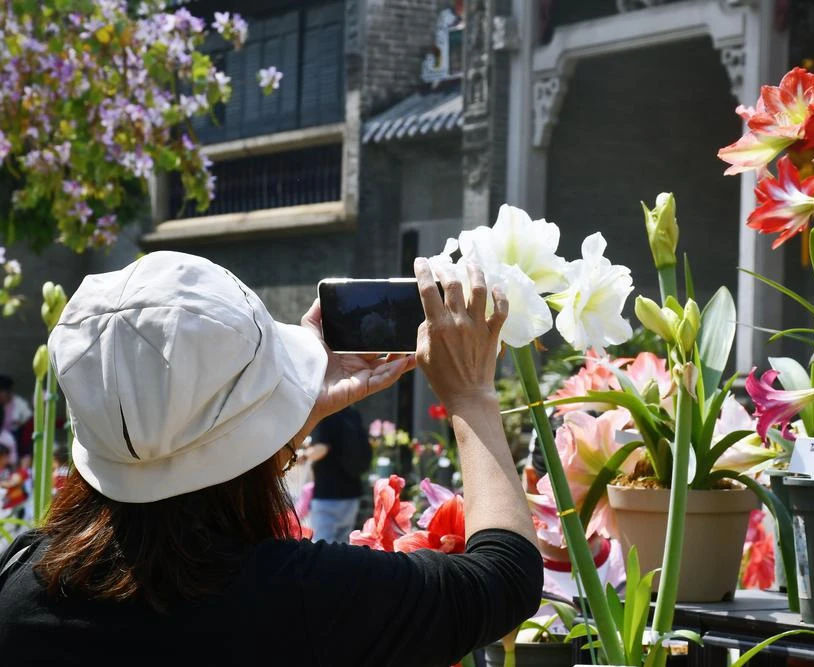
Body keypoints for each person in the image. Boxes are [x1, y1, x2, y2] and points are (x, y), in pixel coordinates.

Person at [0, 251, 541, 666]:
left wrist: (285, 413)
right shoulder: (298, 597)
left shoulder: (21, 590)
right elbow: (504, 579)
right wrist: (471, 396)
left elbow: (185, 465)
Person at [301, 405, 371, 544]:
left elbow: (321, 448)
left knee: (322, 548)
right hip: (352, 495)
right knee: (342, 547)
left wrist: (303, 456)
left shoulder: (325, 412)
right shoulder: (352, 413)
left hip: (328, 494)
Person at [0, 375, 31, 464]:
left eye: (2, 392)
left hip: (16, 436)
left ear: (9, 392)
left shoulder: (20, 404)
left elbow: (28, 420)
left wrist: (19, 424)